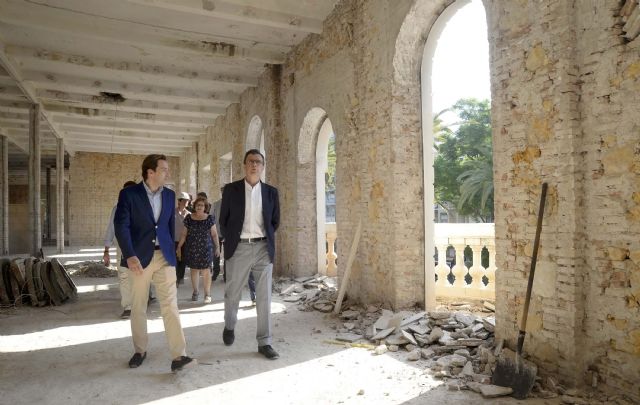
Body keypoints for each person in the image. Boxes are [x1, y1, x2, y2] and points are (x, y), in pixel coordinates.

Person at [114, 154, 196, 372]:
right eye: (164, 169)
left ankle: (179, 355)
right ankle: (140, 350)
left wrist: (172, 252)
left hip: (164, 257)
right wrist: (129, 254)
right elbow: (121, 226)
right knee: (138, 306)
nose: (167, 173)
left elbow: (168, 227)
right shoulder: (129, 194)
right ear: (150, 172)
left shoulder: (169, 195)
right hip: (138, 258)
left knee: (170, 305)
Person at [219, 149, 280, 360]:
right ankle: (229, 325)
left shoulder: (271, 192)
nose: (254, 165)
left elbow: (275, 221)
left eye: (258, 162)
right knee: (233, 293)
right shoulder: (231, 190)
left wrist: (263, 239)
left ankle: (265, 342)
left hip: (263, 248)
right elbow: (223, 221)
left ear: (262, 167)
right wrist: (234, 240)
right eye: (251, 161)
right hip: (239, 248)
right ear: (244, 165)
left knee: (264, 297)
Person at [214, 186, 256, 304]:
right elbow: (222, 223)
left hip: (246, 241)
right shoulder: (220, 205)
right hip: (232, 240)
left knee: (249, 270)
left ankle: (254, 296)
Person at [176, 196, 220, 304]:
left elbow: (214, 234)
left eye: (201, 205)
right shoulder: (189, 218)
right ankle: (195, 292)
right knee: (194, 270)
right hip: (192, 249)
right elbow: (184, 234)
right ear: (194, 206)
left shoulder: (209, 218)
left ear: (205, 207)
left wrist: (217, 247)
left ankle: (207, 294)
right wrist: (179, 246)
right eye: (197, 205)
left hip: (206, 249)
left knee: (206, 271)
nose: (199, 207)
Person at [103, 180, 137, 318]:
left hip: (140, 247)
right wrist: (106, 250)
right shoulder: (117, 209)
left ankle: (141, 301)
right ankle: (128, 306)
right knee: (124, 276)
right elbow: (111, 229)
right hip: (123, 248)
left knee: (140, 275)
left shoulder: (144, 207)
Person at [175, 192, 191, 286]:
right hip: (174, 240)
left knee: (183, 260)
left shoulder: (189, 215)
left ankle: (181, 277)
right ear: (179, 201)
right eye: (185, 200)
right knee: (175, 260)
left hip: (185, 241)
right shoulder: (172, 212)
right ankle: (176, 278)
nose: (186, 202)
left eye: (187, 201)